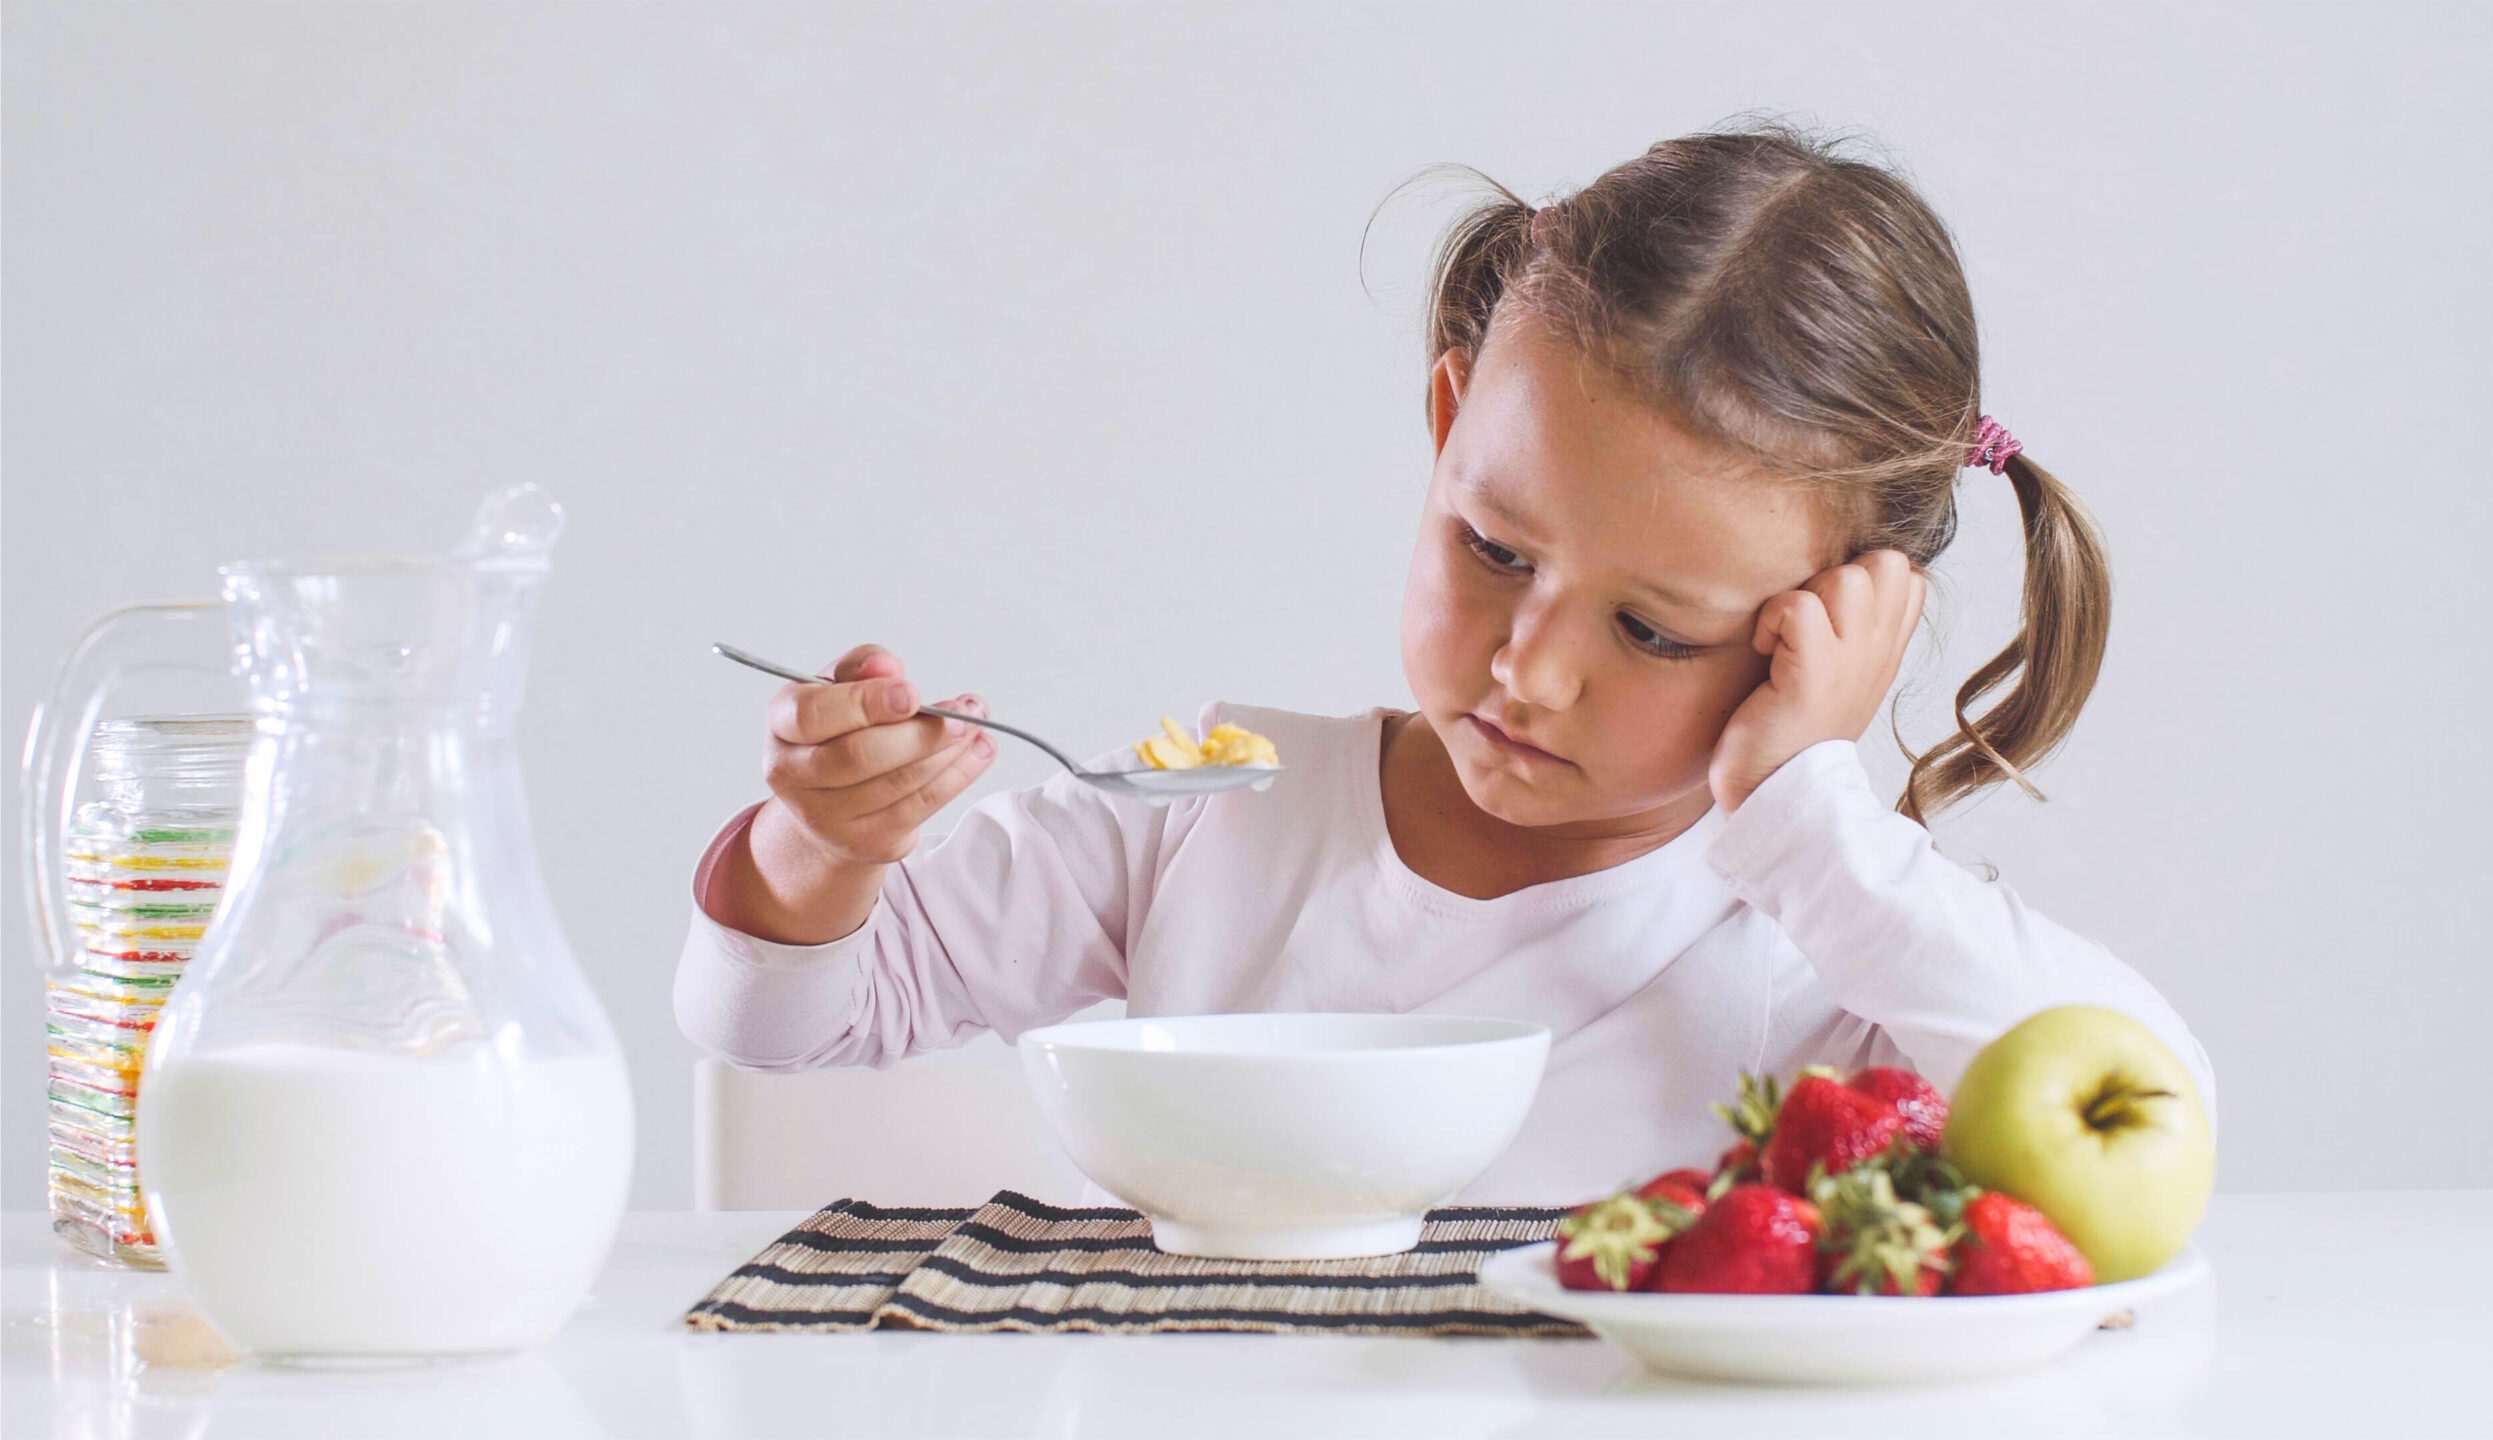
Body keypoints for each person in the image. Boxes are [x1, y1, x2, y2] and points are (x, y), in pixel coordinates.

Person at [673, 124, 2212, 1201]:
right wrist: (824, 850)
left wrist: (1813, 819)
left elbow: (2157, 1114)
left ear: (1825, 631)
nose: (1529, 672)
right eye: (1494, 550)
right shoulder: (1216, 809)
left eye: (1652, 628)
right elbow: (777, 1024)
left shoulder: (1817, 932)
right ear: (1445, 426)